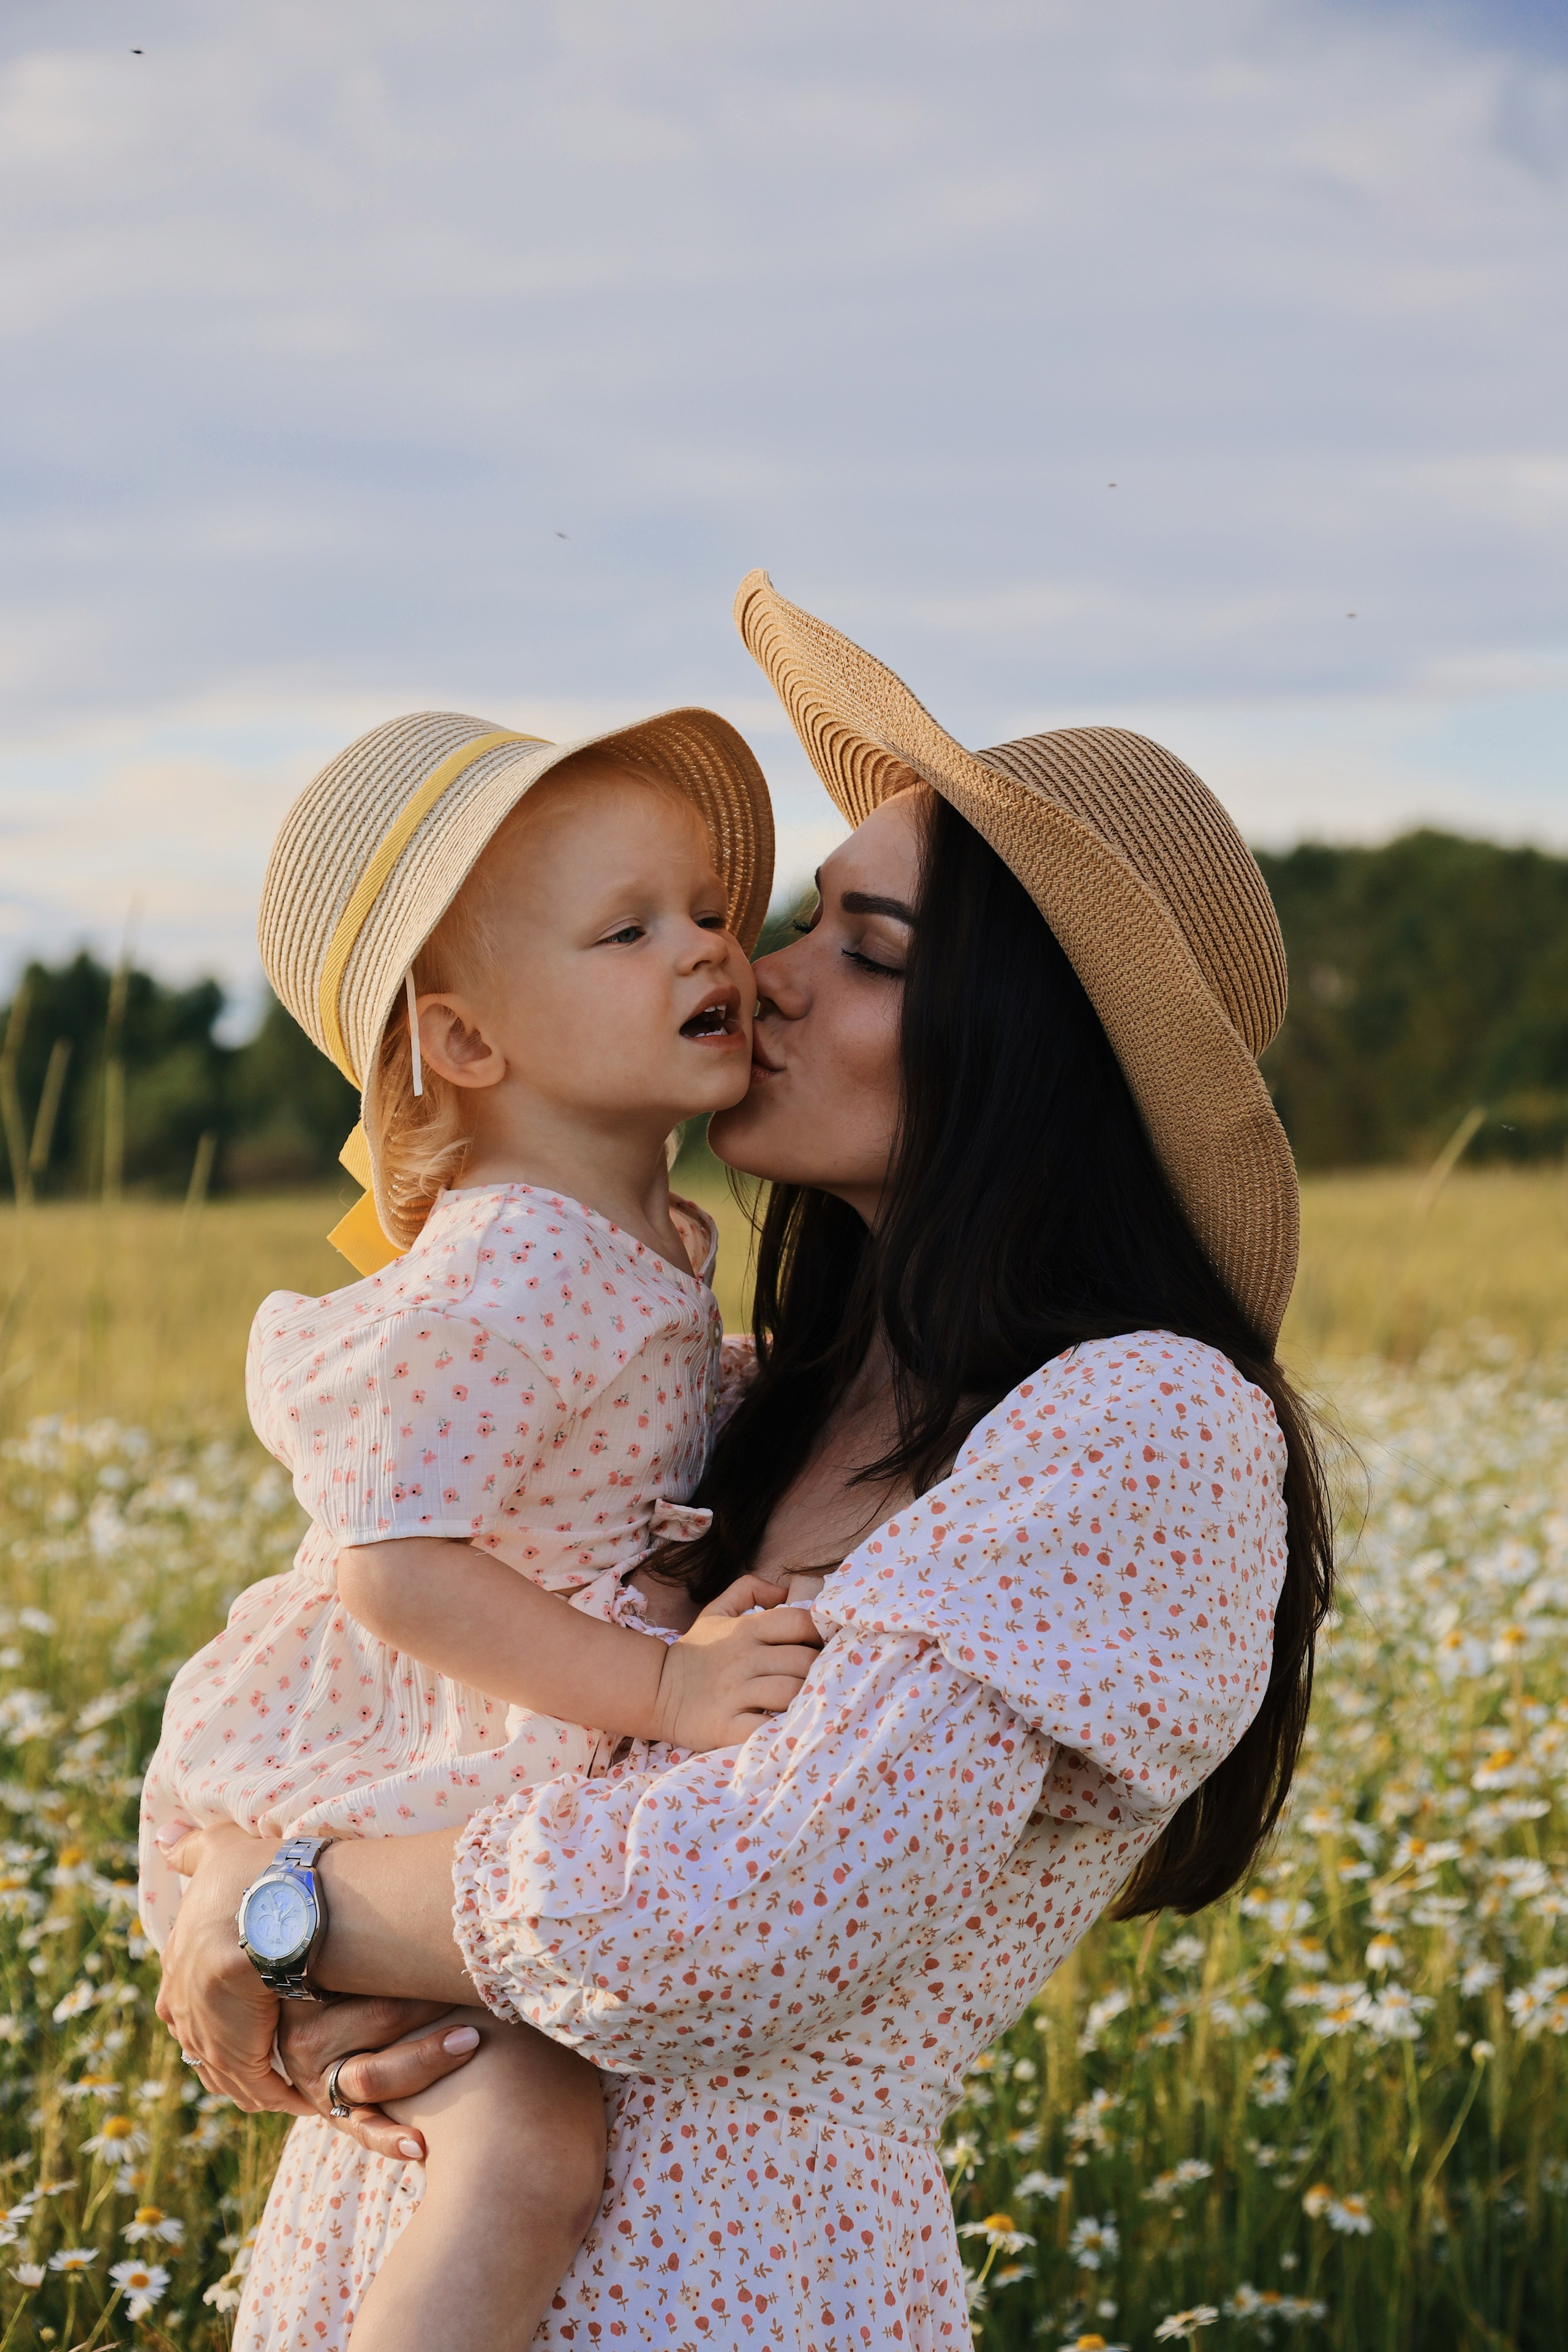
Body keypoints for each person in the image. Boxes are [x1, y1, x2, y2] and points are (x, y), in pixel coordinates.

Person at [157, 576, 1333, 2352]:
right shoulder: (728, 1397)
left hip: (733, 2294)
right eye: (793, 921)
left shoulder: (1142, 1425)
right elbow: (371, 1644)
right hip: (385, 2234)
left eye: (867, 951)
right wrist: (227, 1887)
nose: (754, 973)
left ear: (1031, 1059)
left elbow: (732, 1919)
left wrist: (284, 1903)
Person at [138, 704, 821, 2352]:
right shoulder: (502, 1264)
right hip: (385, 1760)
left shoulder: (636, 1231)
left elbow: (607, 1437)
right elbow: (394, 1566)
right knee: (528, 2145)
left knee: (522, 2122)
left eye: (711, 910)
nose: (709, 950)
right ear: (466, 1042)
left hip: (485, 1762)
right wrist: (657, 1695)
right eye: (627, 929)